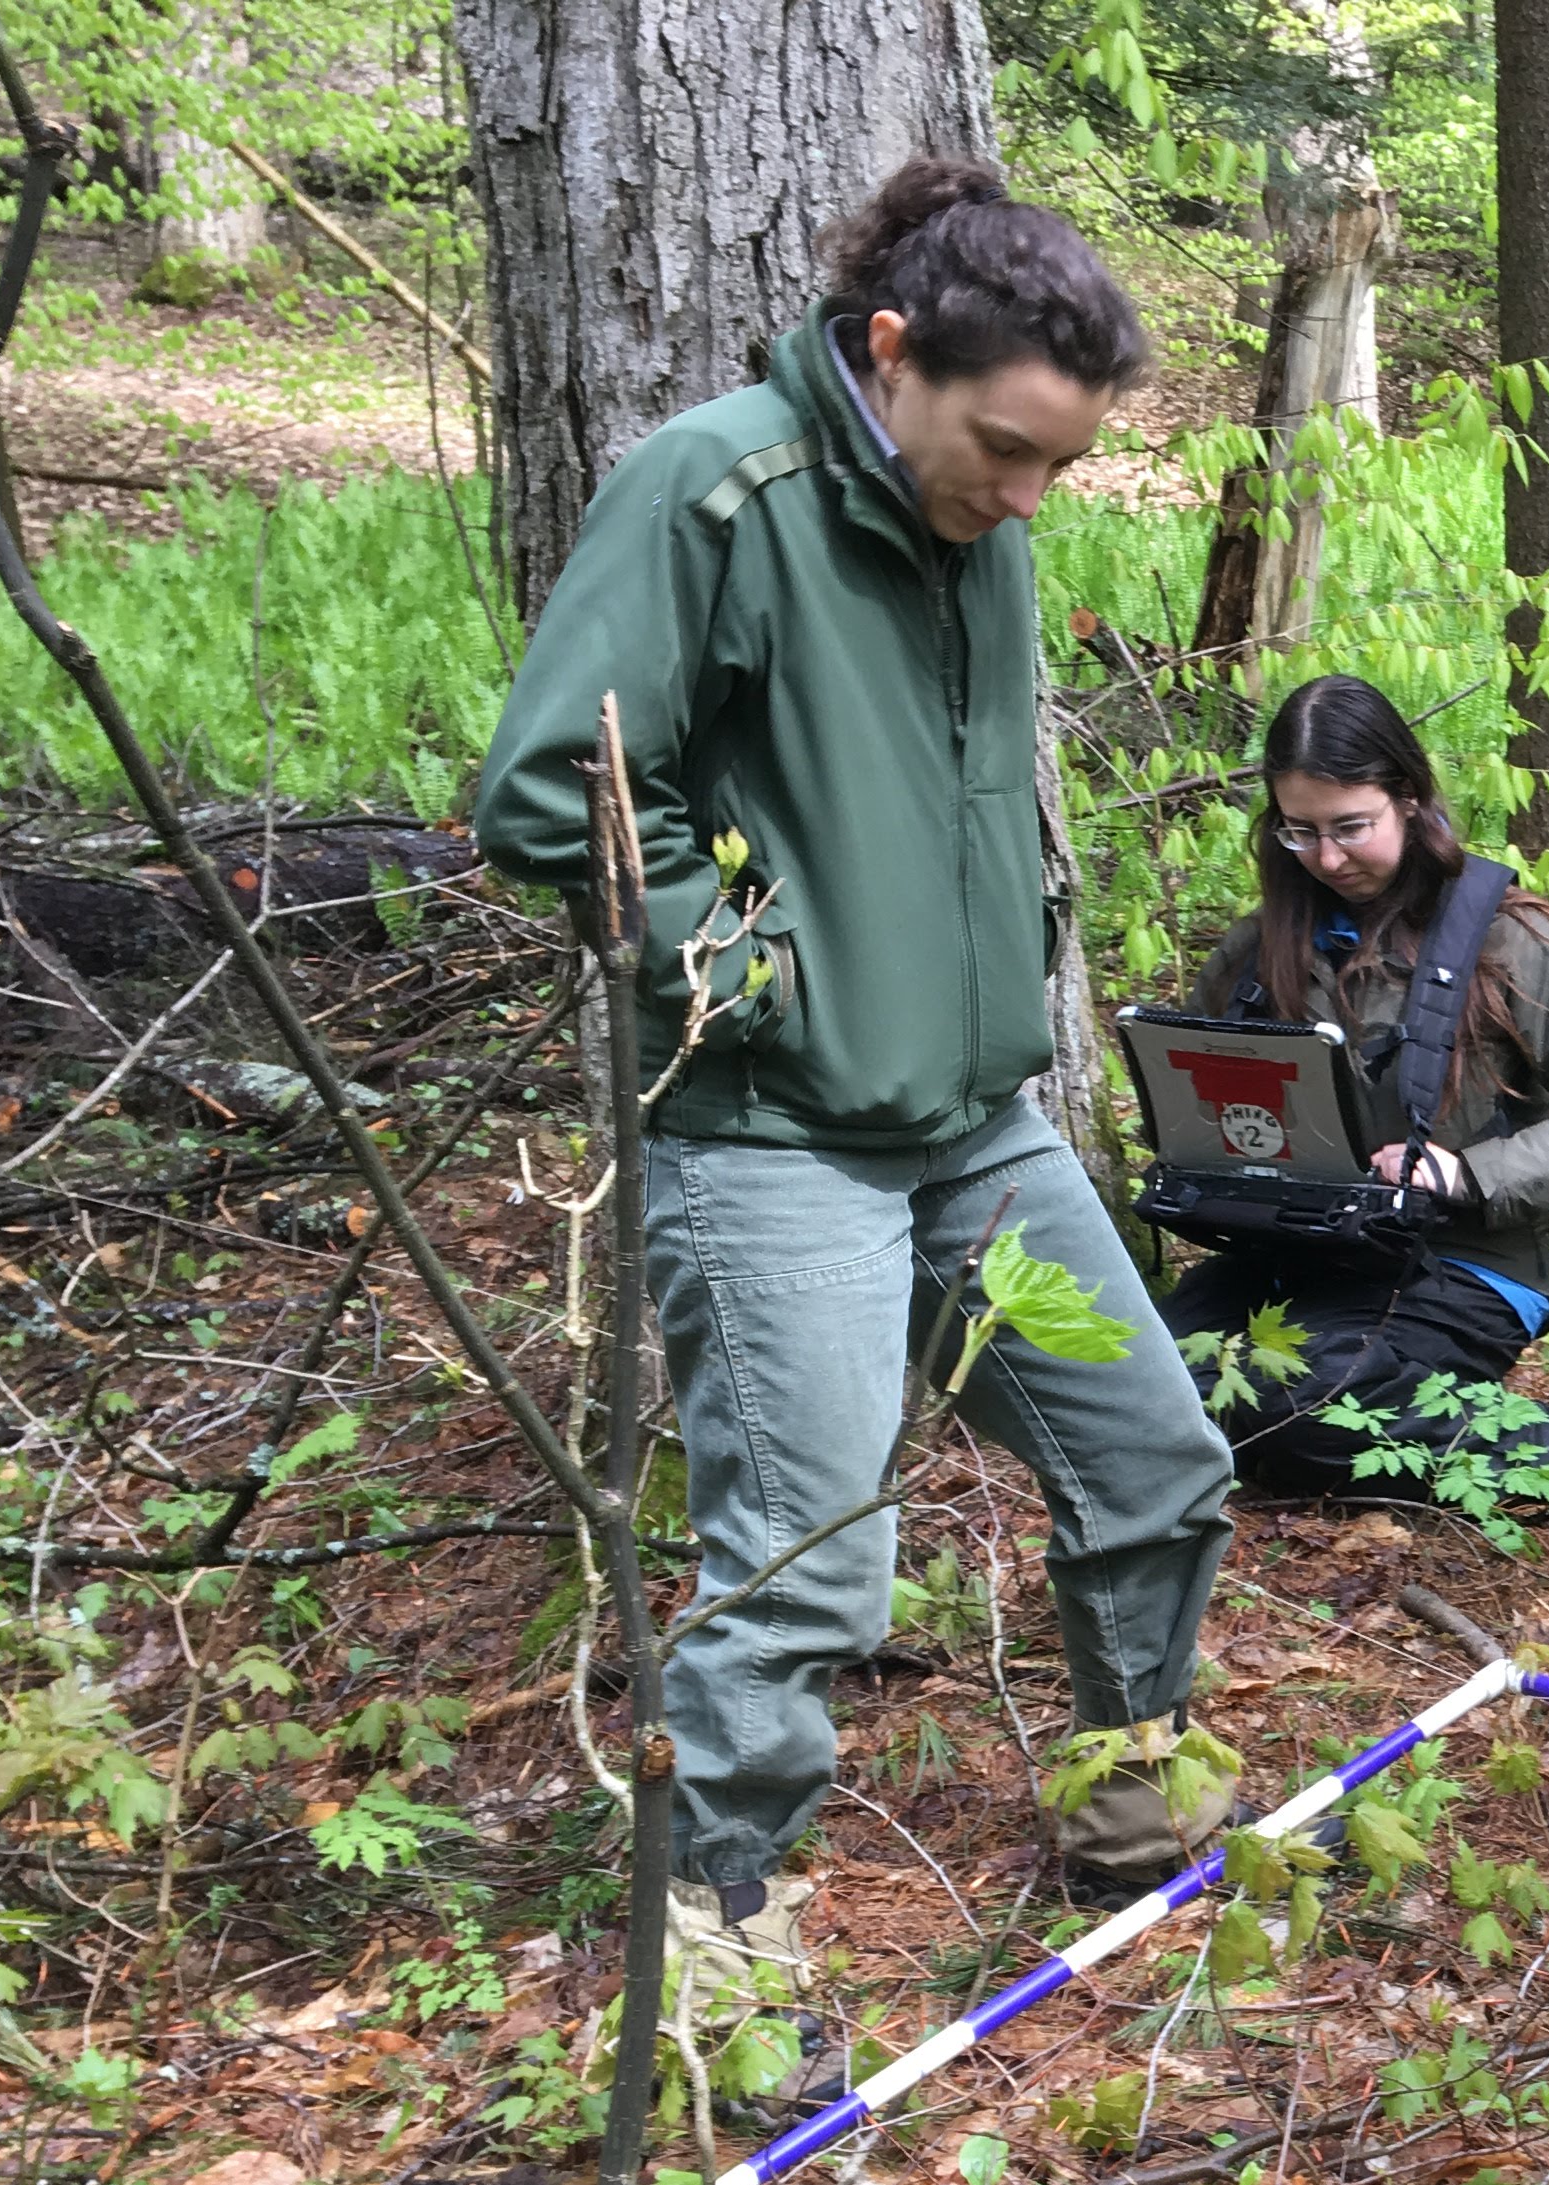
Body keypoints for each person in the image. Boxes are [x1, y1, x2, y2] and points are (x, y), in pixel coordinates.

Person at [475, 157, 1243, 2013]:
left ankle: (1129, 1806)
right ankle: (720, 1952)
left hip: (976, 1122)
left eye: (1061, 461)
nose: (1027, 491)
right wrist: (749, 976)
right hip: (771, 1136)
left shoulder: (991, 528)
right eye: (1001, 445)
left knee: (1155, 1461)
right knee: (807, 1570)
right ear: (888, 352)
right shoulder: (714, 488)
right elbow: (546, 796)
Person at [1168, 674, 1549, 1557]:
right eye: (1299, 830)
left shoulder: (1509, 940)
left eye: (1349, 827)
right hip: (1301, 1252)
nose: (1326, 858)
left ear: (1408, 800)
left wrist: (1472, 1173)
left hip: (1464, 1263)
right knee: (1157, 1376)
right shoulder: (1258, 952)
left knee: (1291, 1403)